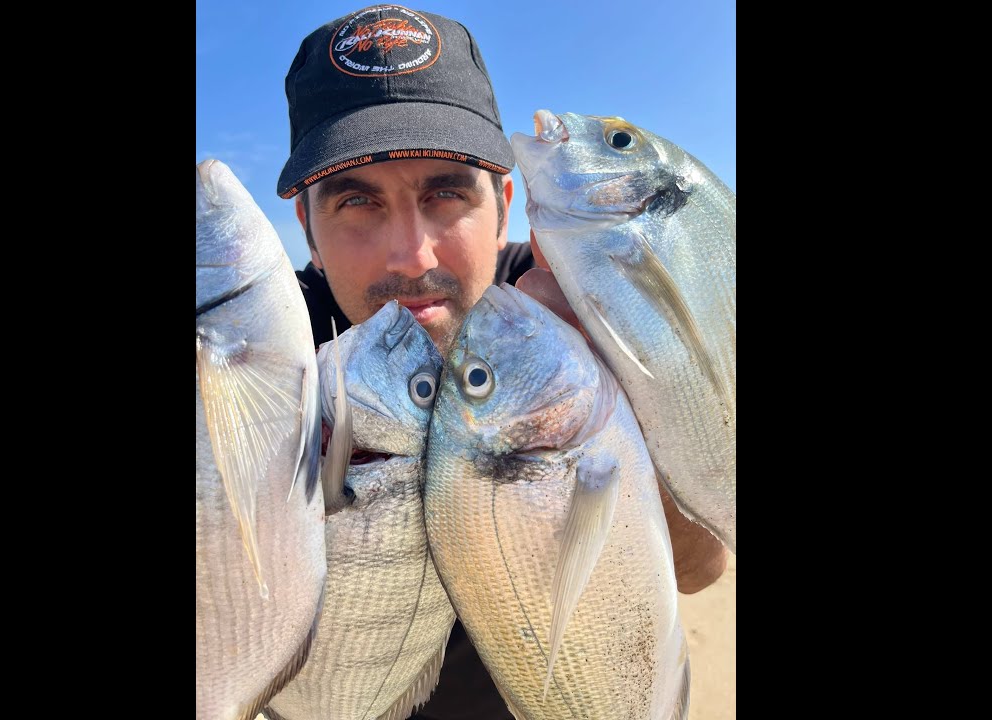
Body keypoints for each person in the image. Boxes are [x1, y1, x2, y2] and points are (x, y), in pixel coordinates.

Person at [276, 6, 726, 718]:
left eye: (446, 192)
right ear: (307, 227)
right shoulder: (268, 348)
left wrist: (624, 424)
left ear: (504, 205)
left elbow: (701, 569)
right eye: (357, 201)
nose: (412, 256)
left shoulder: (570, 320)